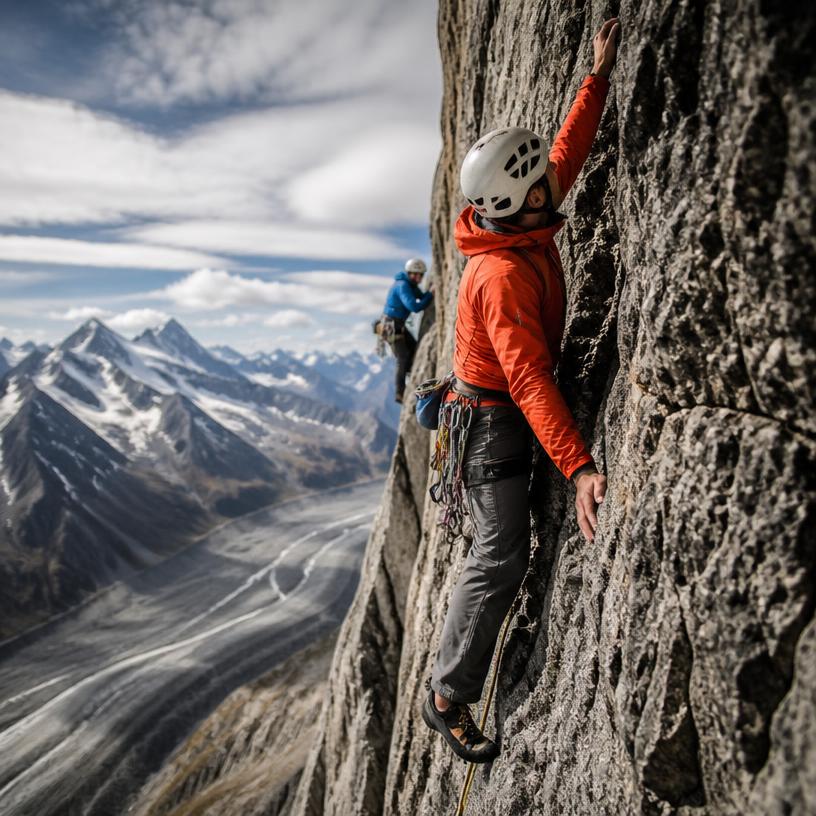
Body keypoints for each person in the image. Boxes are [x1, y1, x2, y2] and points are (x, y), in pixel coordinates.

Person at [422, 18, 620, 763]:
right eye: (537, 190)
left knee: (507, 549)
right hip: (491, 425)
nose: (550, 192)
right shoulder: (500, 275)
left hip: (499, 412)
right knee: (500, 555)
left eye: (541, 184)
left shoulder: (518, 215)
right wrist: (580, 466)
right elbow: (528, 377)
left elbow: (564, 156)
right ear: (513, 203)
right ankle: (447, 697)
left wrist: (596, 76)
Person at [382, 258, 434, 403]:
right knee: (402, 357)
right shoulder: (402, 286)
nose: (419, 278)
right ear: (409, 273)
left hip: (397, 326)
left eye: (421, 275)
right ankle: (400, 393)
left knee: (414, 347)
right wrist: (431, 295)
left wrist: (428, 294)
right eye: (416, 275)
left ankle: (413, 376)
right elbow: (414, 307)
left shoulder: (411, 285)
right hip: (391, 327)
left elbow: (421, 296)